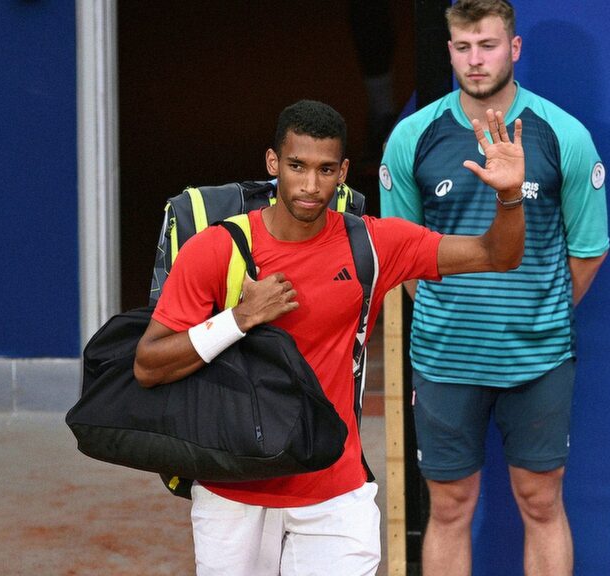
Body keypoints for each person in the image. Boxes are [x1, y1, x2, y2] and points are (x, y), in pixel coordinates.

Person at [134, 99, 525, 576]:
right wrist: (239, 318)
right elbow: (149, 364)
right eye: (296, 166)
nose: (309, 185)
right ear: (273, 163)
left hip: (336, 490)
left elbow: (496, 255)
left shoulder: (374, 243)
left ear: (342, 172)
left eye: (324, 170)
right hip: (232, 491)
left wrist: (509, 198)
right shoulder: (215, 250)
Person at [379, 1, 610, 574]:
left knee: (541, 502)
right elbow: (402, 255)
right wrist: (452, 314)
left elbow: (588, 249)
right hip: (443, 358)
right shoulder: (413, 137)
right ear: (449, 50)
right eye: (462, 47)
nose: (475, 60)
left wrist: (536, 316)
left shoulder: (564, 135)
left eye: (487, 45)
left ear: (514, 48)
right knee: (450, 507)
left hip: (540, 361)